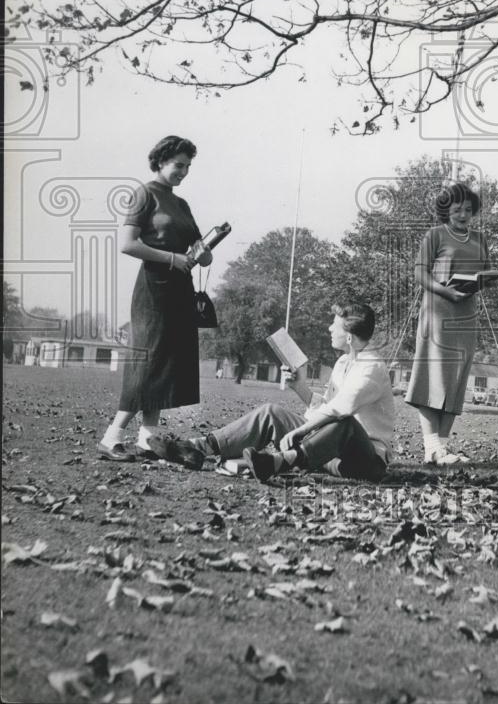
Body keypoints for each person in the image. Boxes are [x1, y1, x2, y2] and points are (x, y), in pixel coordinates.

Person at [147, 303, 395, 483]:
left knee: (345, 423)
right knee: (270, 413)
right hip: (326, 453)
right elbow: (327, 407)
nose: (330, 328)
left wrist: (301, 430)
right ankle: (199, 448)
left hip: (364, 461)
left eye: (335, 324)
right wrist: (301, 389)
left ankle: (278, 462)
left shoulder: (372, 367)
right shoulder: (343, 363)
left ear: (349, 337)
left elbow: (340, 411)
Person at [96, 136, 212, 461]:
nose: (184, 171)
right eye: (179, 165)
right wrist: (172, 258)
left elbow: (203, 256)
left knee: (166, 365)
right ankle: (112, 436)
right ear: (161, 161)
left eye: (188, 166)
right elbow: (127, 244)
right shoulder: (144, 194)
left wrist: (203, 253)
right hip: (153, 288)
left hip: (180, 290)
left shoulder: (182, 205)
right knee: (148, 363)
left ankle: (147, 439)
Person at [405, 182, 497, 465]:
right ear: (446, 210)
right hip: (439, 310)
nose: (463, 215)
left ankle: (440, 450)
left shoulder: (480, 238)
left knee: (456, 379)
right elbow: (420, 273)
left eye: (468, 210)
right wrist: (445, 290)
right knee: (433, 378)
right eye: (457, 209)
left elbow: (484, 271)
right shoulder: (435, 235)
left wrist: (488, 280)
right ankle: (431, 446)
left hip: (466, 312)